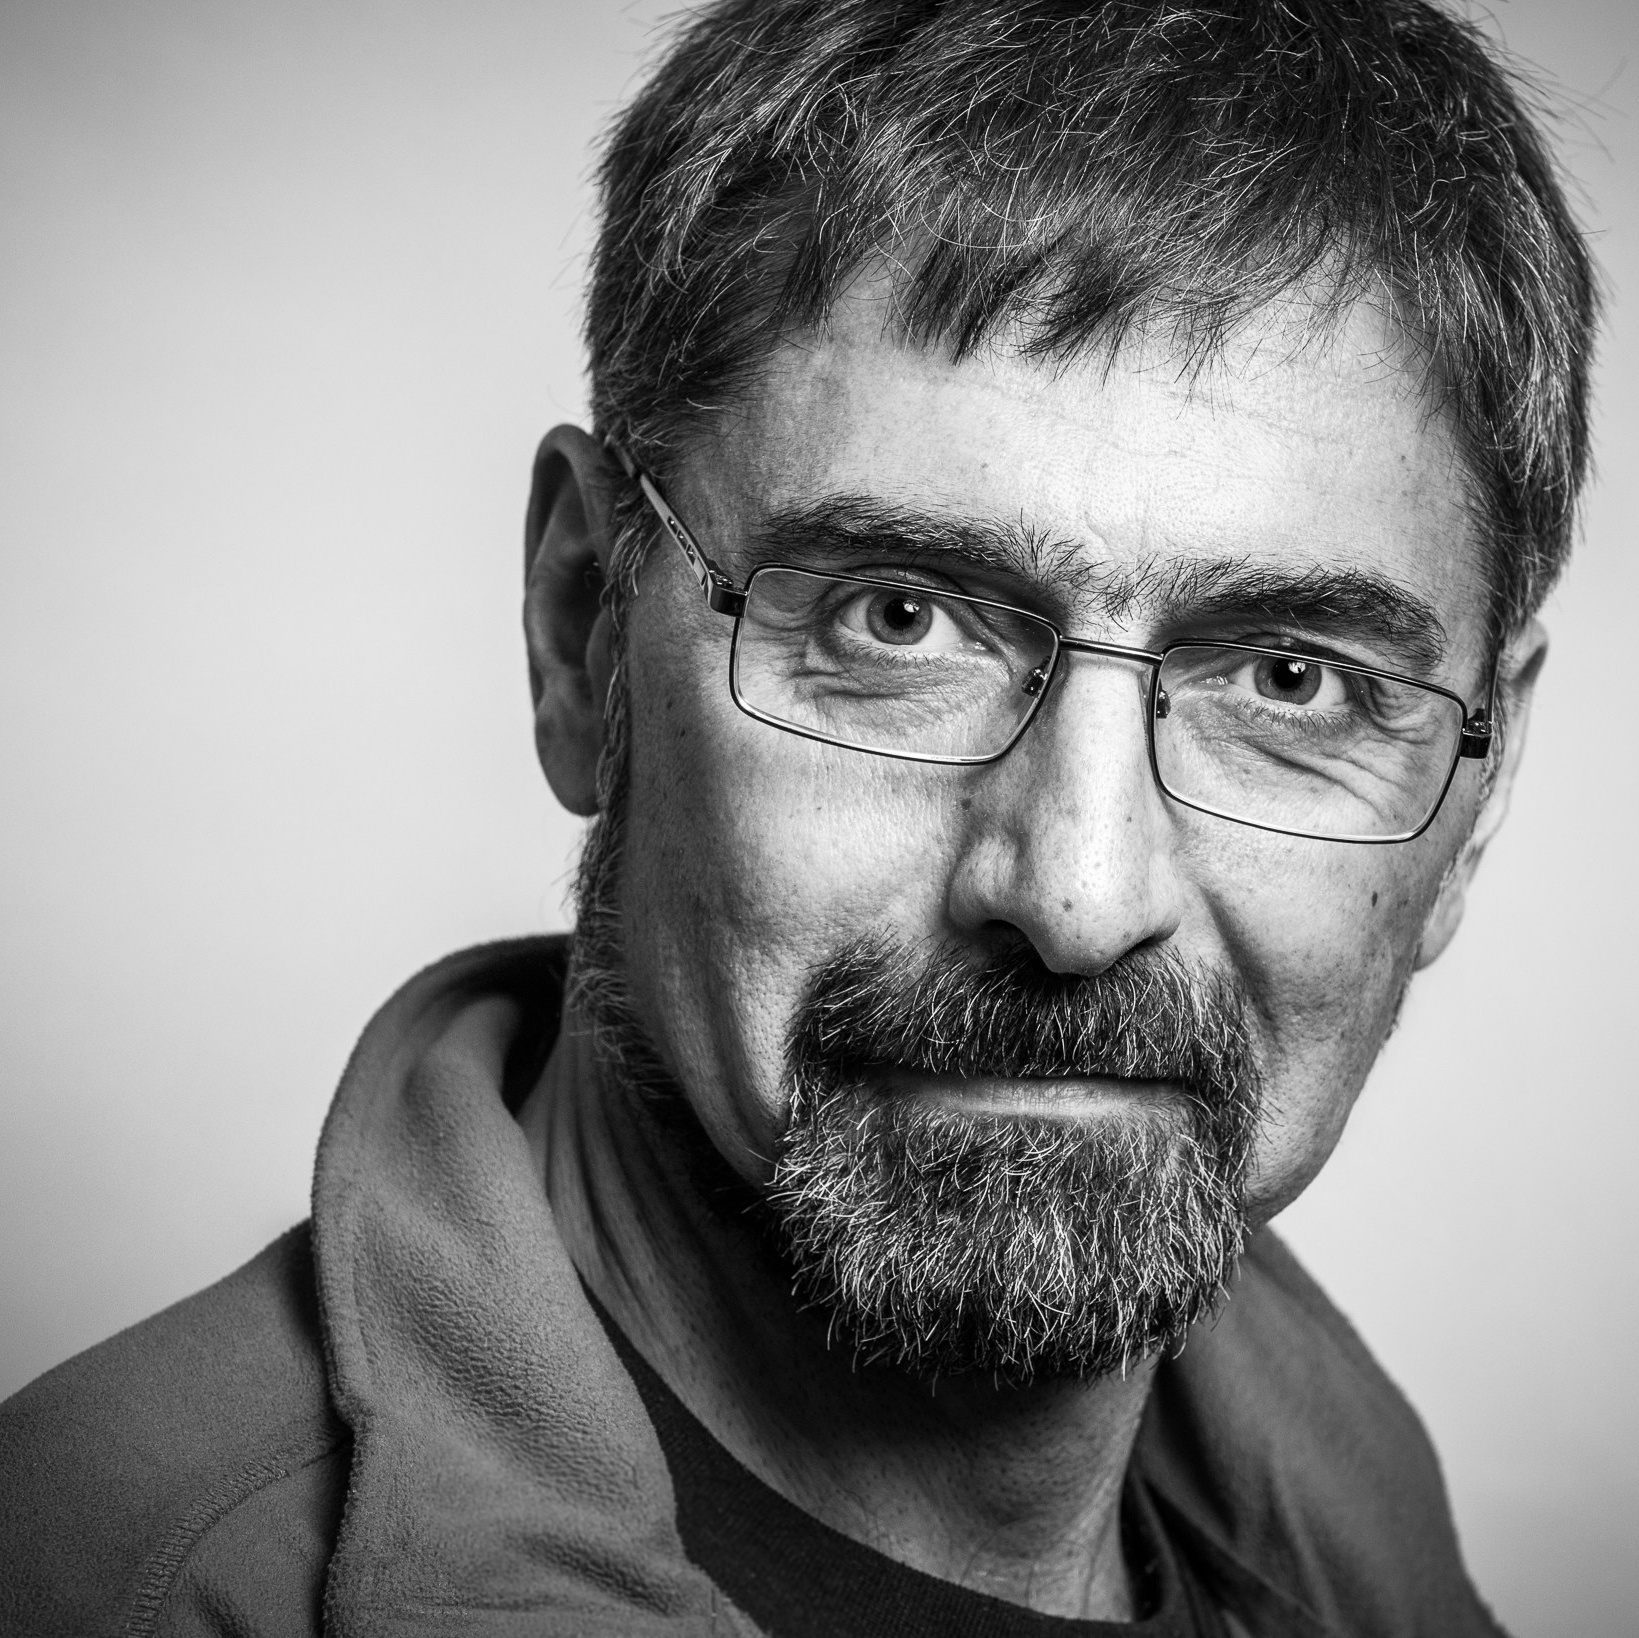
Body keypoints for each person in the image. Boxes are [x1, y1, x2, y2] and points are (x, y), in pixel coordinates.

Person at [0, 0, 1597, 1633]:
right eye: (899, 619)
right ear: (580, 633)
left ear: (1478, 794)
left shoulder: (1368, 1532)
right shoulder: (104, 1579)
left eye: (1290, 679)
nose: (1077, 889)